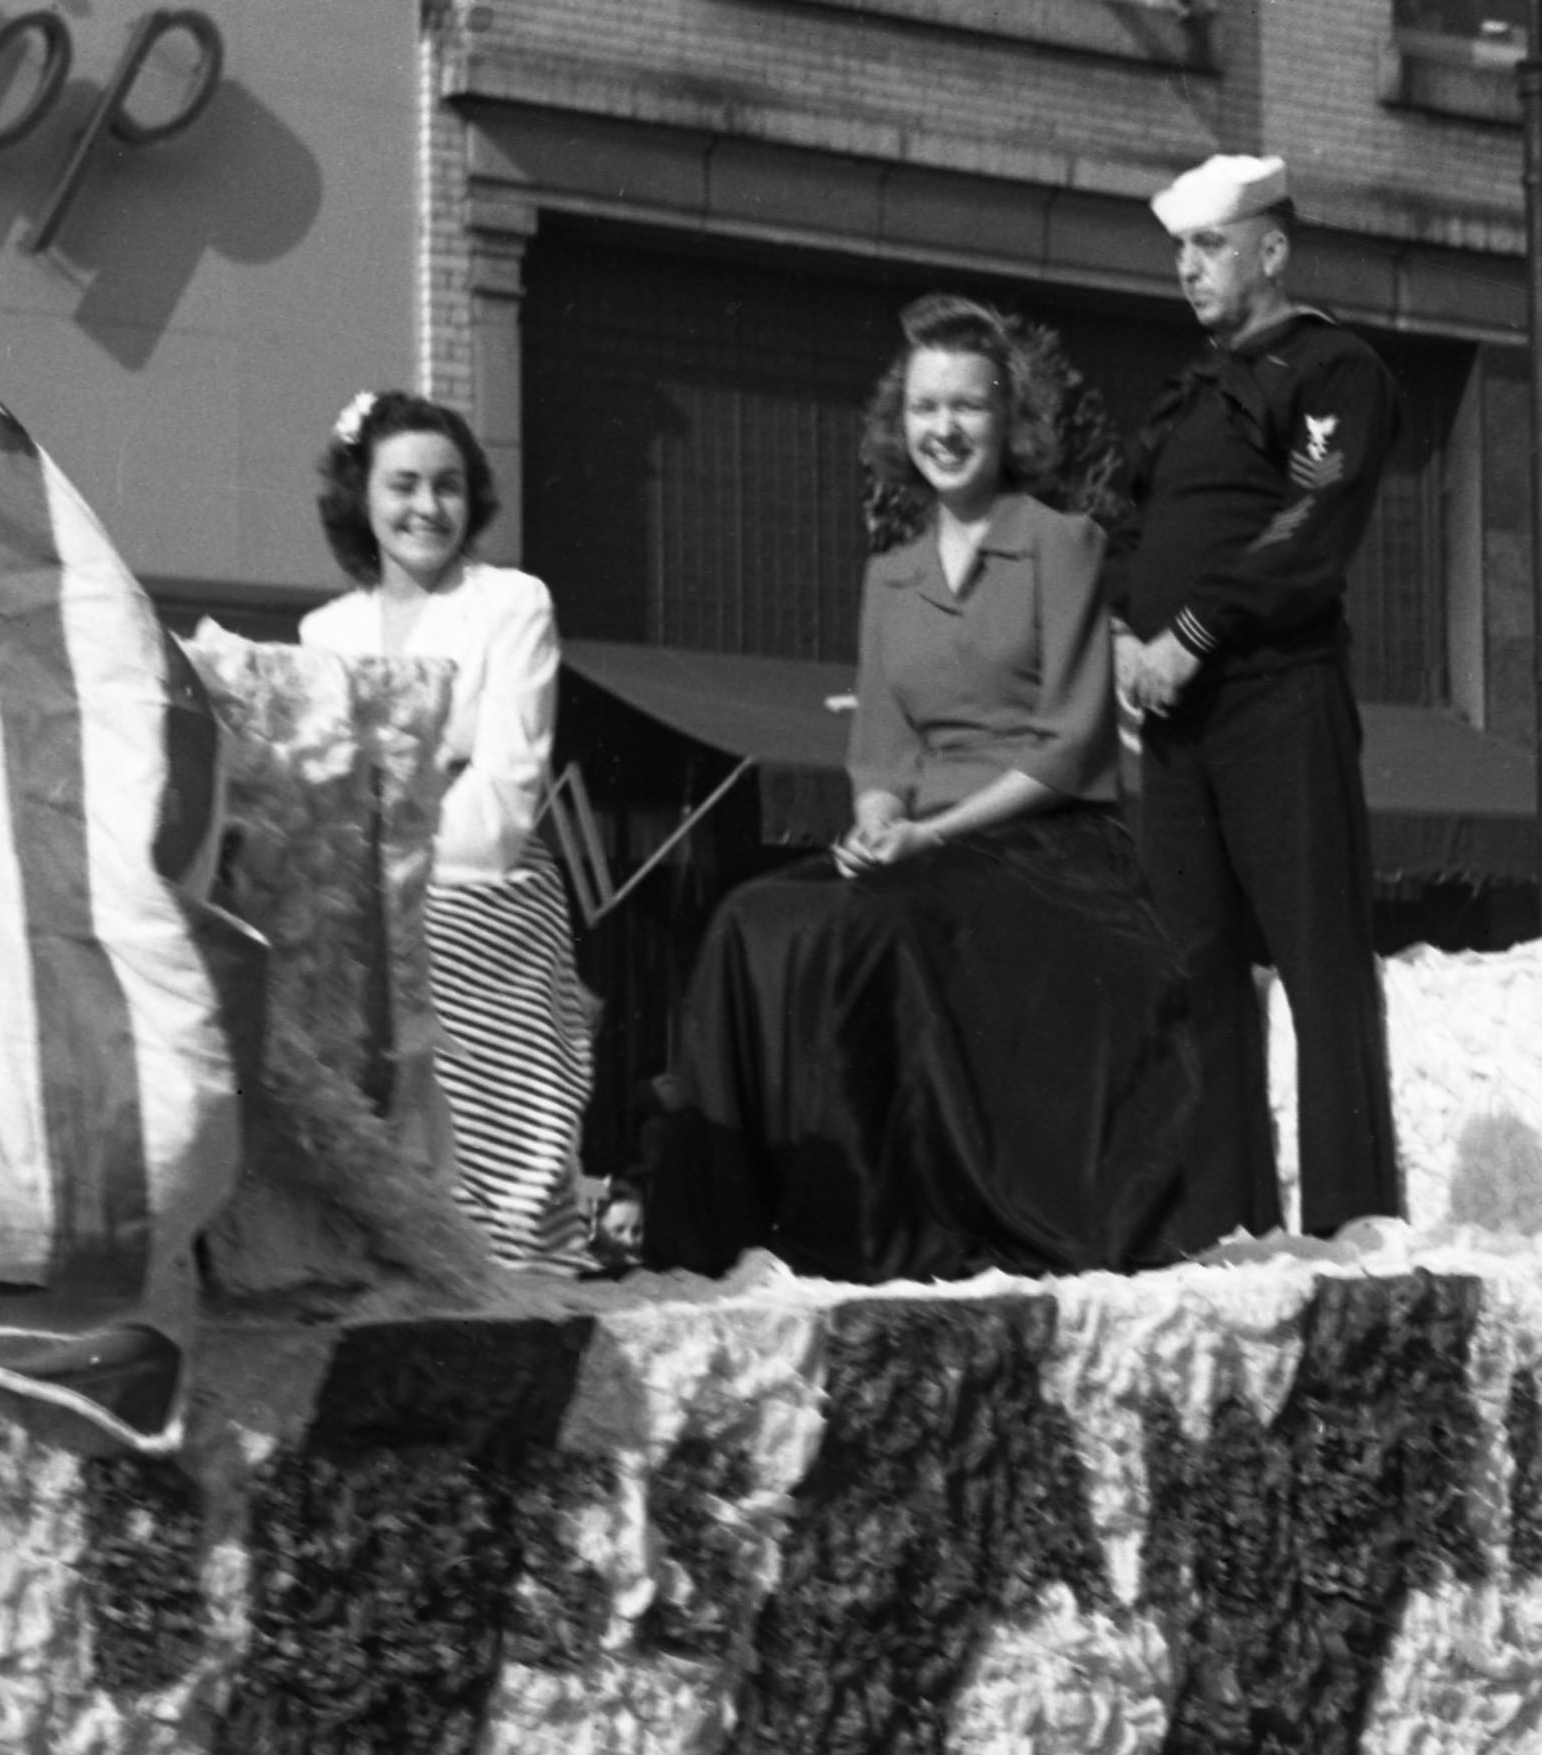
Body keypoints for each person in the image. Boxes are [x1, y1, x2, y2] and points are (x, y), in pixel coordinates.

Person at [646, 299, 1194, 1283]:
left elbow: (1071, 747)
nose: (944, 428)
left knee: (881, 926)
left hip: (1052, 849)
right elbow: (881, 751)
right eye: (925, 406)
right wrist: (877, 824)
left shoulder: (1061, 543)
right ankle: (729, 1229)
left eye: (968, 407)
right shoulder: (891, 575)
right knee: (751, 919)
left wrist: (929, 841)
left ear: (1010, 420)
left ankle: (876, 1219)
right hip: (926, 844)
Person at [1114, 153, 1403, 1243]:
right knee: (1194, 963)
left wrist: (1189, 635)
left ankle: (1350, 1219)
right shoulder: (1192, 389)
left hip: (1278, 696)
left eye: (1210, 247)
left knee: (1319, 958)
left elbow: (1308, 529)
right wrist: (1120, 636)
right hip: (1176, 716)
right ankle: (1221, 1221)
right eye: (1180, 250)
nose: (1187, 270)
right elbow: (1135, 522)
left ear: (1272, 251)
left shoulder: (1335, 369)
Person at [298, 390, 591, 1270]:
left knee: (426, 939)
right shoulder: (326, 631)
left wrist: (386, 820)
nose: (428, 508)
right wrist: (433, 771)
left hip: (480, 900)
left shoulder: (512, 604)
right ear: (362, 496)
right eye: (404, 486)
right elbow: (313, 799)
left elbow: (500, 808)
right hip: (361, 894)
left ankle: (493, 1233)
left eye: (449, 486)